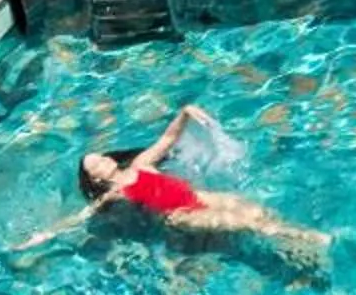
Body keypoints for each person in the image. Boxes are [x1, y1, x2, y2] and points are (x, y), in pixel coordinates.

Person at [19, 105, 329, 262]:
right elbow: (79, 218)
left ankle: (299, 247)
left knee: (259, 213)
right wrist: (42, 235)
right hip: (182, 215)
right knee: (248, 224)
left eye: (100, 156)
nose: (102, 160)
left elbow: (167, 139)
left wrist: (185, 112)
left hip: (200, 196)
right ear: (96, 178)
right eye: (95, 164)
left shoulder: (141, 164)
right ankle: (312, 239)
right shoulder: (114, 194)